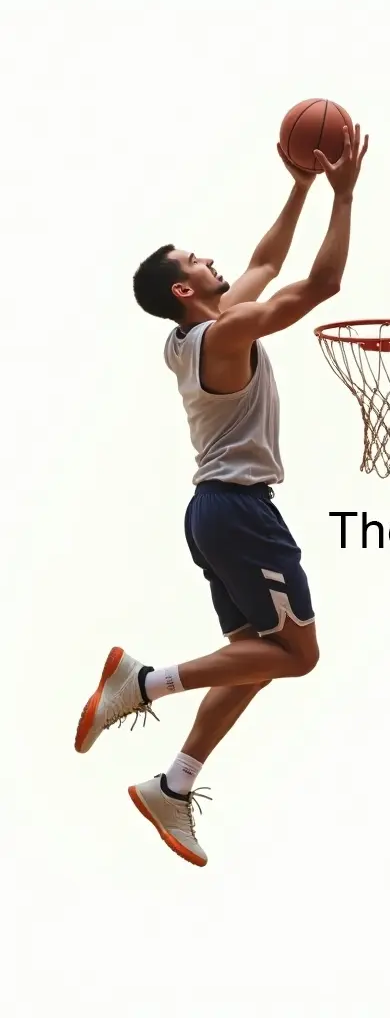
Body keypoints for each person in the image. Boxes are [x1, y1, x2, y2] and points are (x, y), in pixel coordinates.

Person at [74, 126, 369, 867]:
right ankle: (143, 682)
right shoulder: (227, 330)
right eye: (197, 259)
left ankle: (174, 785)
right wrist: (345, 195)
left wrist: (300, 185)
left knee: (256, 656)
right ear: (184, 288)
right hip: (239, 512)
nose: (212, 258)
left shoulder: (194, 334)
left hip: (215, 513)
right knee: (297, 656)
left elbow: (268, 261)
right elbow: (320, 284)